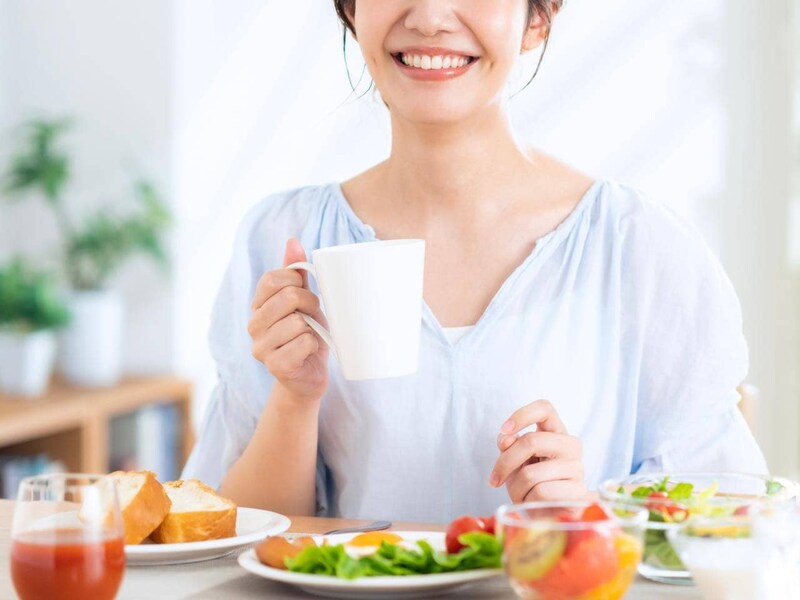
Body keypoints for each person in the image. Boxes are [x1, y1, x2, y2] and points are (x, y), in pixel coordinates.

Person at [182, 0, 767, 522]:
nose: (431, 16)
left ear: (538, 18)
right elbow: (234, 540)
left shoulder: (640, 248)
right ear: (351, 10)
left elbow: (726, 533)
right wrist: (295, 396)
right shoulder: (282, 239)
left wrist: (589, 517)